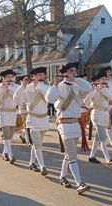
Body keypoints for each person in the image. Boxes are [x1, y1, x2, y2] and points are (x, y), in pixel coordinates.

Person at [46, 63, 92, 194]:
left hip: (76, 123)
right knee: (72, 155)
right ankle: (79, 183)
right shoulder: (59, 87)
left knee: (69, 154)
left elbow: (89, 88)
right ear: (65, 73)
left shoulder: (77, 85)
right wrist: (55, 83)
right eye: (71, 71)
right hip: (64, 124)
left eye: (75, 71)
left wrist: (75, 79)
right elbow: (49, 99)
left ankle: (62, 177)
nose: (74, 73)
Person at [19, 67, 50, 176]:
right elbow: (17, 99)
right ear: (34, 77)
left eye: (43, 75)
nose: (42, 77)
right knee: (37, 145)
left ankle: (32, 163)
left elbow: (50, 99)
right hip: (32, 119)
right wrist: (22, 86)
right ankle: (43, 166)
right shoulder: (27, 88)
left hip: (43, 119)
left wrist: (40, 86)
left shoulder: (46, 87)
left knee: (37, 144)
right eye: (39, 75)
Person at [84, 71, 112, 165]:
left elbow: (111, 98)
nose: (104, 80)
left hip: (105, 114)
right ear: (97, 80)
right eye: (102, 79)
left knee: (98, 137)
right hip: (97, 114)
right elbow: (86, 101)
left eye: (105, 78)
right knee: (103, 137)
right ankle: (108, 158)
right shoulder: (93, 90)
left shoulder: (106, 89)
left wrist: (102, 90)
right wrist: (92, 90)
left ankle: (92, 156)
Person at [0, 69, 19, 164]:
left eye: (11, 77)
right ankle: (10, 155)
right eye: (8, 77)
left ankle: (4, 153)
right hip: (3, 113)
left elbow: (17, 97)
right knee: (6, 134)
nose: (10, 79)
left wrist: (8, 88)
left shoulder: (16, 87)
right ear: (3, 78)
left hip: (13, 113)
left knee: (10, 135)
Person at [14, 75, 31, 145]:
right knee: (26, 125)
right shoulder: (19, 89)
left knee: (30, 124)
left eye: (28, 79)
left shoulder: (30, 87)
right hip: (23, 109)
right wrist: (21, 104)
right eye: (25, 79)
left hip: (30, 109)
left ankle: (23, 135)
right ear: (21, 81)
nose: (27, 81)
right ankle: (28, 141)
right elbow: (15, 98)